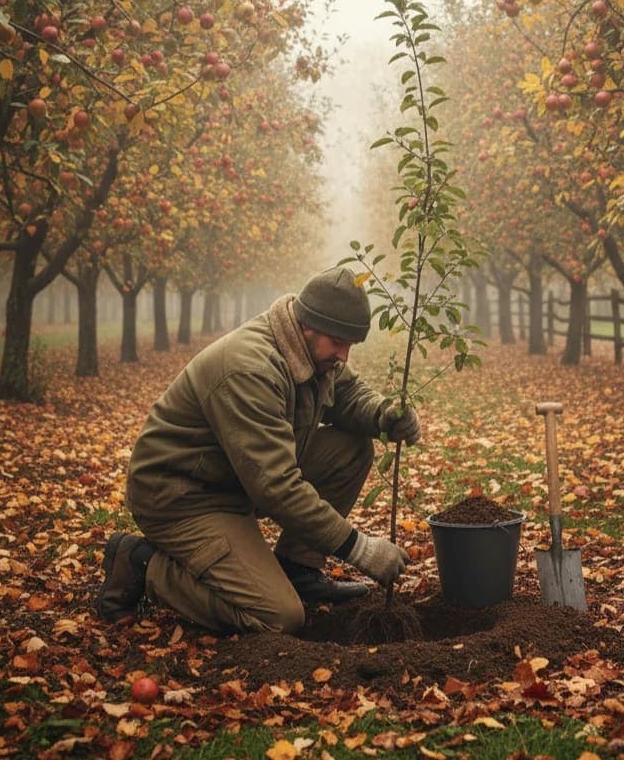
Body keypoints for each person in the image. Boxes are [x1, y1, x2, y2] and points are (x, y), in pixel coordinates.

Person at [95, 266, 421, 634]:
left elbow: (346, 394)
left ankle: (298, 568)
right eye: (338, 343)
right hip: (182, 497)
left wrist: (383, 414)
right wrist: (358, 548)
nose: (344, 356)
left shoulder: (311, 350)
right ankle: (143, 564)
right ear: (308, 325)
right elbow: (277, 487)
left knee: (351, 448)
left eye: (350, 345)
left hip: (234, 480)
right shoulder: (250, 369)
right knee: (279, 616)